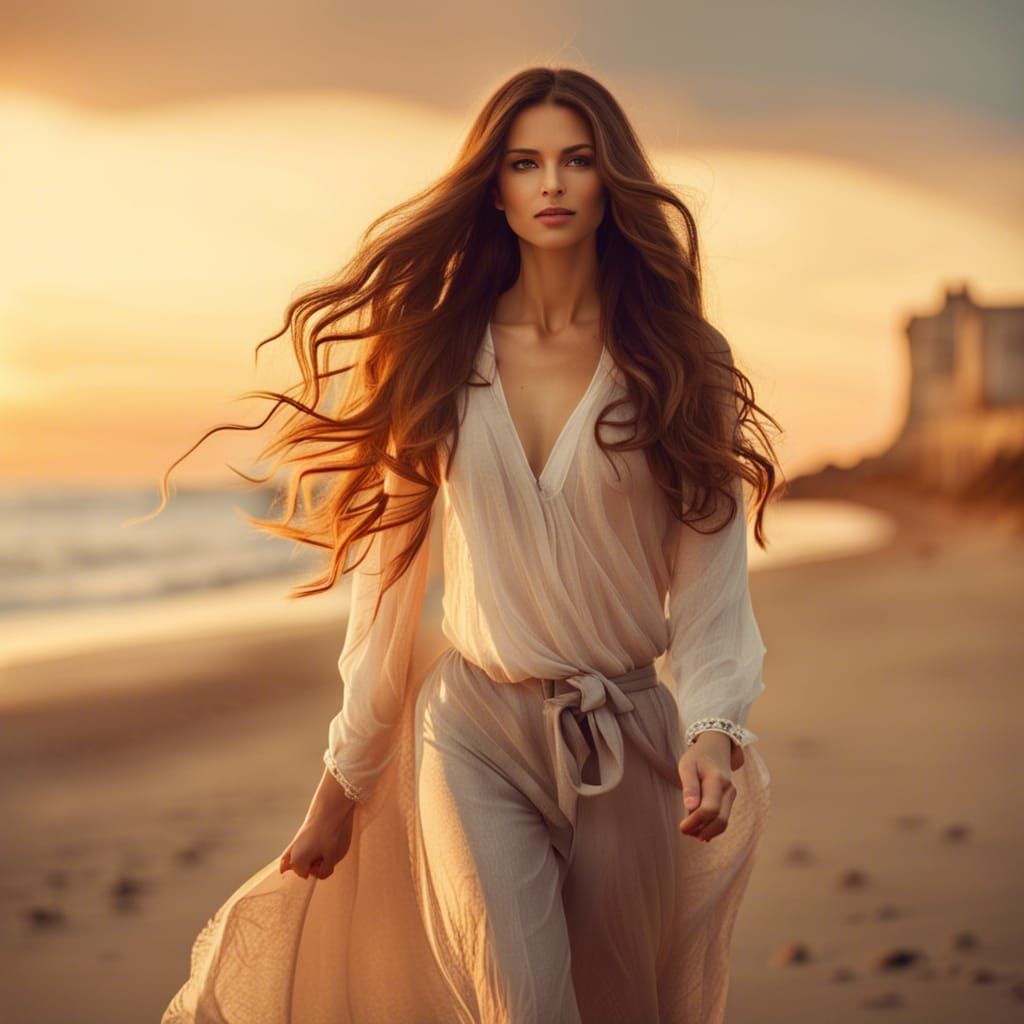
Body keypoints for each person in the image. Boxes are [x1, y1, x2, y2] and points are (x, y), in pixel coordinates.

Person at [160, 66, 783, 1024]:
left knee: (623, 1008)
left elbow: (711, 575)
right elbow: (389, 580)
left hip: (629, 736)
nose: (552, 184)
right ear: (493, 186)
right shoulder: (437, 353)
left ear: (611, 179)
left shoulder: (677, 360)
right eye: (525, 162)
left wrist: (714, 725)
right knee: (523, 1007)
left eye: (577, 161)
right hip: (473, 732)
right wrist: (345, 779)